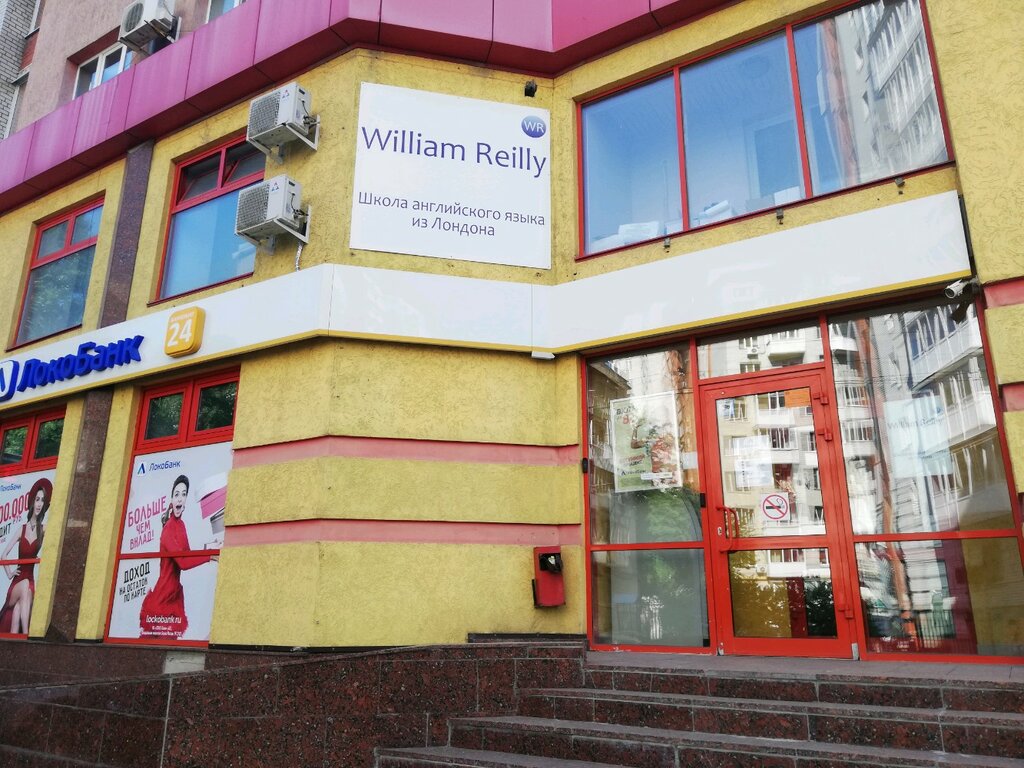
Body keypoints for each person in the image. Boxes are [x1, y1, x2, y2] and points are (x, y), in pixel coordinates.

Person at [139, 475, 218, 639]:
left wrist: (210, 547)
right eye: (176, 494)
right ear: (171, 499)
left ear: (186, 499)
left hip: (173, 595)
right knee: (154, 642)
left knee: (167, 641)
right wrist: (209, 555)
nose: (180, 498)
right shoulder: (168, 530)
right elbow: (183, 562)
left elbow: (188, 554)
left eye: (184, 494)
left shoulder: (181, 525)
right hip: (162, 598)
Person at [0, 478, 52, 634]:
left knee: (21, 605)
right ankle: (27, 634)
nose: (39, 504)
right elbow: (3, 555)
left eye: (42, 500)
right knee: (25, 588)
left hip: (30, 581)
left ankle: (19, 636)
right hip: (16, 584)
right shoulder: (21, 529)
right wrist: (10, 573)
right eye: (37, 499)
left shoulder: (44, 529)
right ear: (32, 502)